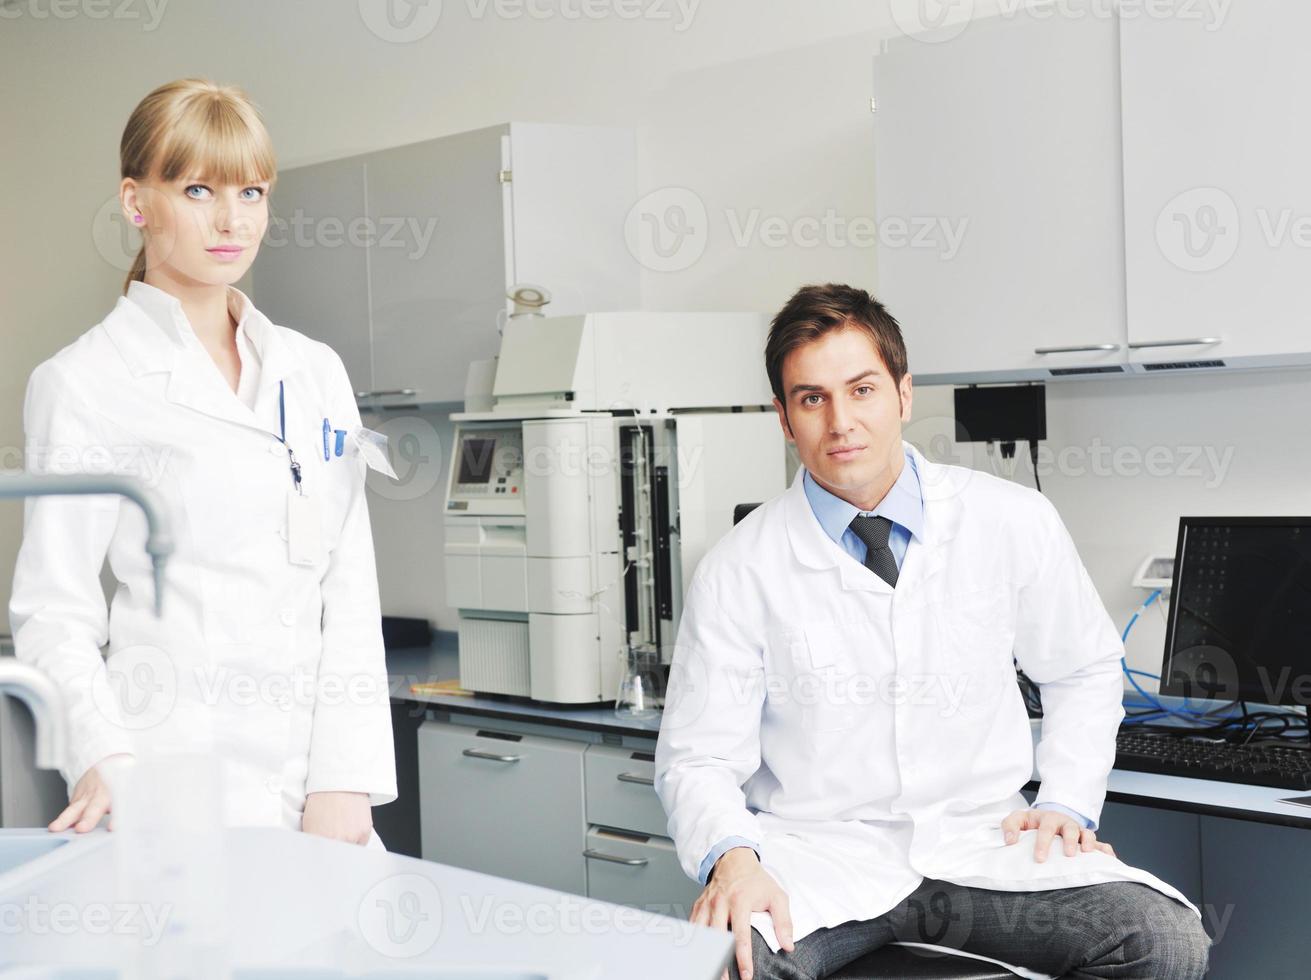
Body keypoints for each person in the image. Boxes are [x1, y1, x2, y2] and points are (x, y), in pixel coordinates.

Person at [654, 284, 1210, 979]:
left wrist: (1065, 800)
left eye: (861, 389)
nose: (839, 422)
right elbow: (697, 759)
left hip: (981, 846)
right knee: (732, 964)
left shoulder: (1010, 519)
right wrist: (732, 859)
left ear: (903, 395)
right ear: (783, 418)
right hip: (818, 859)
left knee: (1161, 941)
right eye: (811, 398)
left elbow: (1083, 668)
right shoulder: (739, 565)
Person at [9, 78, 396, 847]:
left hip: (316, 789)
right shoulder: (84, 382)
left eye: (251, 193)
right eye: (197, 190)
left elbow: (348, 586)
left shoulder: (312, 371)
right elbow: (54, 608)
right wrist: (102, 755)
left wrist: (344, 780)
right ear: (135, 202)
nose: (231, 221)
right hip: (167, 779)